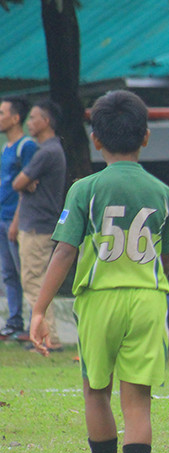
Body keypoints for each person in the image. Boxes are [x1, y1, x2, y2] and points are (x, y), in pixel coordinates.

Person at [28, 90, 169, 453]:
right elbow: (167, 257)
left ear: (95, 139)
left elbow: (64, 252)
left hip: (100, 301)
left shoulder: (86, 189)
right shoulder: (161, 192)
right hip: (148, 300)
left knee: (96, 392)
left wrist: (39, 310)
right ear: (146, 137)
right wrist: (156, 291)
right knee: (138, 401)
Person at [12, 98, 66, 351]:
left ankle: (48, 337)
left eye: (33, 118)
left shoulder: (46, 151)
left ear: (46, 122)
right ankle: (49, 334)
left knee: (34, 282)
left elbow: (17, 183)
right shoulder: (51, 150)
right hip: (41, 224)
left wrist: (26, 181)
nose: (29, 122)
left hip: (37, 226)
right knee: (38, 281)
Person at [0, 96, 36, 339]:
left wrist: (16, 221)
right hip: (2, 216)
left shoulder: (27, 146)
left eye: (2, 113)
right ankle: (14, 321)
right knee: (9, 273)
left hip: (16, 218)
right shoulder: (5, 147)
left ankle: (35, 322)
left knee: (26, 272)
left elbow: (29, 186)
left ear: (15, 118)